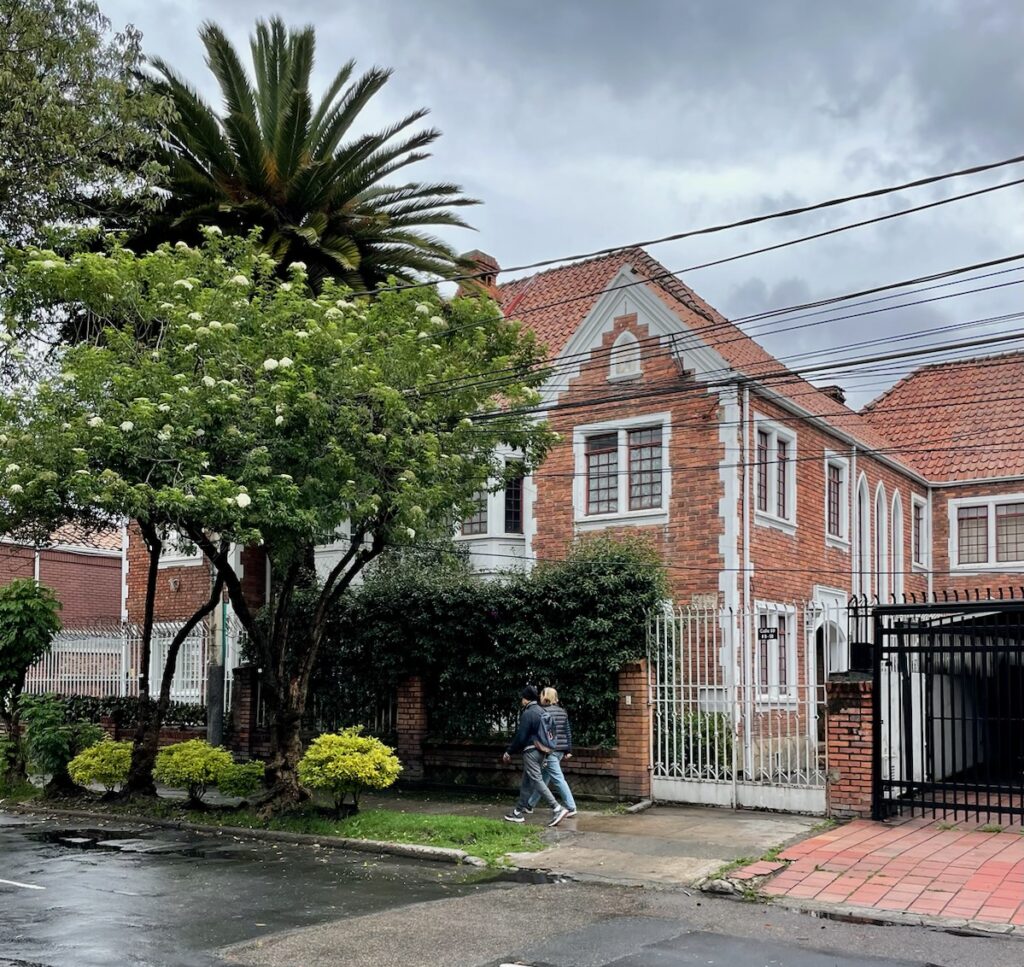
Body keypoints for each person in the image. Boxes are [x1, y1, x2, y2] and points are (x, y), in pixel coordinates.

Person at [502, 685, 569, 827]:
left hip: (531, 750)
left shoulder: (529, 713)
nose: (521, 700)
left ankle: (557, 808)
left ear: (526, 699)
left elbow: (521, 737)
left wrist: (509, 751)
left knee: (537, 780)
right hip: (543, 751)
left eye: (522, 698)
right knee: (527, 781)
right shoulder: (542, 711)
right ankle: (518, 812)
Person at [525, 686, 577, 818]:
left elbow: (542, 733)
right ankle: (530, 804)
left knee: (558, 779)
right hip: (560, 751)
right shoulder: (562, 712)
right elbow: (567, 732)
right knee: (543, 778)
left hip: (549, 750)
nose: (539, 697)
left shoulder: (543, 712)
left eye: (541, 695)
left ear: (545, 696)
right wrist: (568, 750)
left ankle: (571, 807)